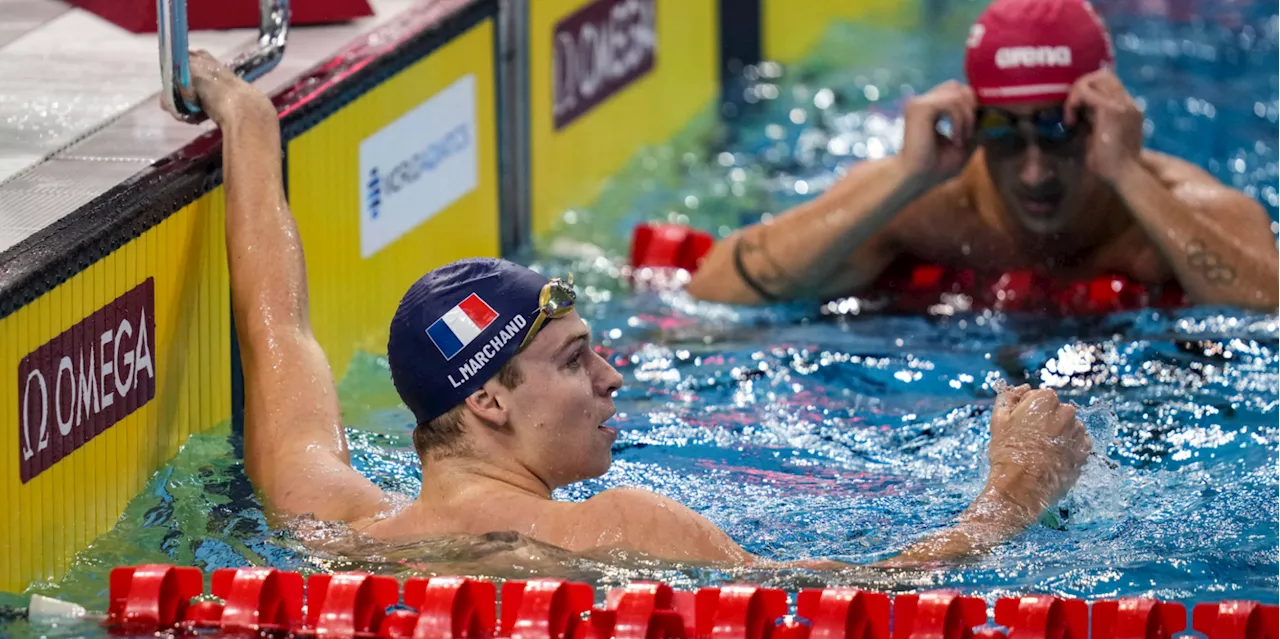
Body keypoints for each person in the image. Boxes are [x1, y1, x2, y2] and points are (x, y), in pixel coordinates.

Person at [176, 49, 1092, 568]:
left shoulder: (330, 525)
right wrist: (1008, 496)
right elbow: (871, 597)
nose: (614, 376)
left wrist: (250, 124)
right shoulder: (615, 527)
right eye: (576, 359)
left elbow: (278, 335)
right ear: (489, 399)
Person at [686, 0, 1280, 311]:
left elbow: (1269, 306)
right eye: (1003, 133)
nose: (1034, 170)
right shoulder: (930, 202)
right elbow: (716, 289)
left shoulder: (1178, 202)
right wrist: (903, 174)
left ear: (1102, 120)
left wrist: (1127, 173)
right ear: (972, 126)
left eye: (1058, 131)